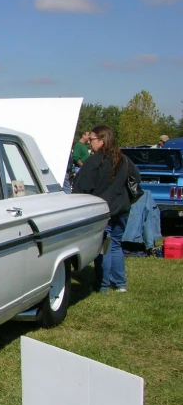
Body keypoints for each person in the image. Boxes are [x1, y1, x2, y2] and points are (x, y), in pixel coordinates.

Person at [73, 125, 141, 293]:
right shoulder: (124, 159)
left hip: (104, 210)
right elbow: (136, 182)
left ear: (102, 141)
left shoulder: (95, 161)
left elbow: (82, 186)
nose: (90, 143)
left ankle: (102, 285)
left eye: (92, 140)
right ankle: (119, 284)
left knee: (103, 247)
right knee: (115, 245)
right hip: (122, 209)